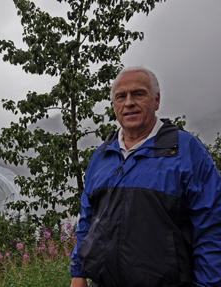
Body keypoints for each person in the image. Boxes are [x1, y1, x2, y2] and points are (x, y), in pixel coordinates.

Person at [70, 66, 221, 287]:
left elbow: (212, 228)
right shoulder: (102, 155)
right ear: (114, 104)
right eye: (121, 96)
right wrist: (78, 274)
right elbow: (88, 219)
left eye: (138, 93)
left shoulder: (187, 150)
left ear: (157, 100)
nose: (128, 102)